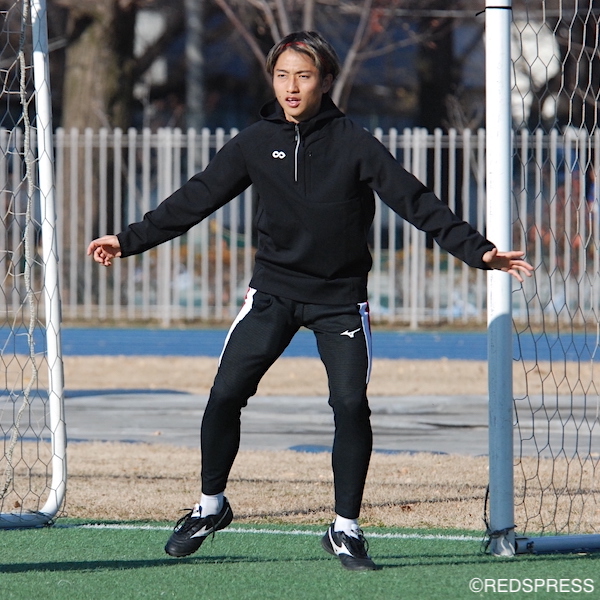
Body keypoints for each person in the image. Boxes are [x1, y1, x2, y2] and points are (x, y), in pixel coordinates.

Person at [87, 31, 533, 571]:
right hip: (273, 294)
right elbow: (196, 198)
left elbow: (415, 201)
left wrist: (479, 251)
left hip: (339, 301)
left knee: (350, 405)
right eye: (282, 76)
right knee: (225, 394)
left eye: (303, 75)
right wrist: (128, 240)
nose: (291, 87)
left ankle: (345, 528)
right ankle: (210, 506)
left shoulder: (355, 143)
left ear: (325, 81)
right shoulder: (255, 142)